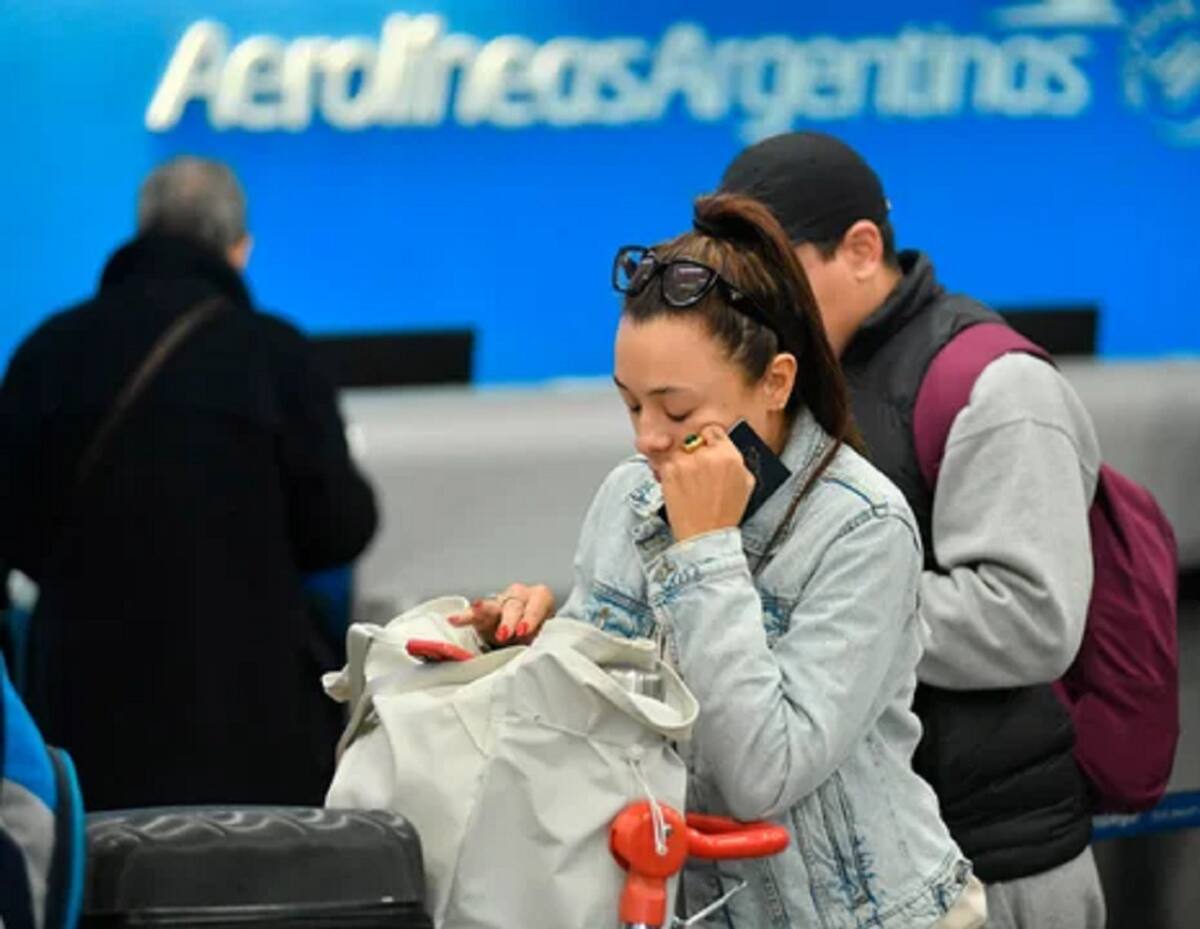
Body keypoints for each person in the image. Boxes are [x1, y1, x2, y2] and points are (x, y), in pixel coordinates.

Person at [451, 193, 985, 928]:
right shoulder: (628, 497)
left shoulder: (862, 526)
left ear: (776, 382)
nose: (647, 439)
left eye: (676, 412)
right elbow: (604, 735)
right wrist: (538, 645)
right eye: (631, 405)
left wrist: (705, 549)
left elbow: (757, 778)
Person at [718, 132, 1104, 929]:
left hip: (995, 861)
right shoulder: (795, 380)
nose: (755, 309)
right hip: (865, 857)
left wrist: (824, 612)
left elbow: (1031, 618)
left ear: (862, 249)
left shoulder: (995, 387)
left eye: (776, 277)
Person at [0, 156, 377, 809]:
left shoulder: (47, 353)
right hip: (249, 722)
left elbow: (10, 528)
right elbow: (340, 524)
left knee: (100, 903)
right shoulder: (276, 354)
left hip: (83, 724)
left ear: (141, 231)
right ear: (239, 248)